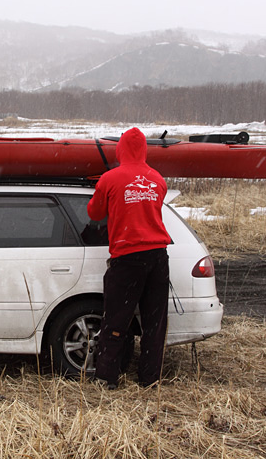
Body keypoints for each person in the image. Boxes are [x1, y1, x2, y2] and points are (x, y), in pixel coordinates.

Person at [87, 127, 172, 389]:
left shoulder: (110, 178)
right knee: (154, 323)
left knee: (116, 320)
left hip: (128, 258)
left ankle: (106, 377)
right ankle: (150, 378)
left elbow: (94, 212)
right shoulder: (157, 179)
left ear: (121, 150)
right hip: (158, 257)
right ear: (144, 150)